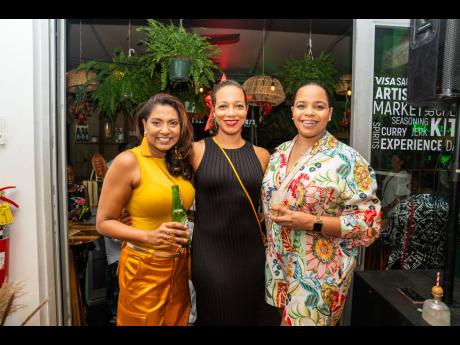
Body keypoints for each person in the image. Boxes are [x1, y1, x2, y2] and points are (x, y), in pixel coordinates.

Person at [261, 82, 382, 326]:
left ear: (330, 113)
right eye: (302, 106)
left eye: (319, 106)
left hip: (320, 278)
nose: (309, 113)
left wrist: (312, 222)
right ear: (292, 111)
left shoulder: (348, 160)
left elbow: (369, 225)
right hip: (280, 270)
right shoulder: (278, 155)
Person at [96, 93, 194, 326]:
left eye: (173, 123)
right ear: (144, 125)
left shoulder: (179, 162)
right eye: (157, 122)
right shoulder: (129, 161)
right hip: (144, 268)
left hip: (179, 267)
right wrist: (148, 235)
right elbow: (103, 222)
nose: (165, 130)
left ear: (181, 128)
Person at [191, 79, 280, 325]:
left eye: (238, 106)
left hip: (251, 256)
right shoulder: (195, 151)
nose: (231, 113)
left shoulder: (262, 156)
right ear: (214, 111)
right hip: (209, 256)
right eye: (223, 106)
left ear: (246, 109)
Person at [381, 173, 448, 270]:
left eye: (410, 183)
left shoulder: (406, 206)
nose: (408, 186)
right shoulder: (447, 205)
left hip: (409, 267)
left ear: (417, 184)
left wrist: (379, 228)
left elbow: (391, 238)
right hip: (438, 268)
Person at [104, 140, 139, 324]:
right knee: (118, 297)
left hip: (140, 256)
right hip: (117, 256)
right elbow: (105, 223)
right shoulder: (115, 174)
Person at [381, 153, 411, 218]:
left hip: (393, 212)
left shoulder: (402, 175)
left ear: (401, 162)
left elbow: (401, 196)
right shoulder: (391, 172)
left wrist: (388, 207)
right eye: (392, 159)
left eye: (394, 159)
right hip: (385, 208)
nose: (392, 161)